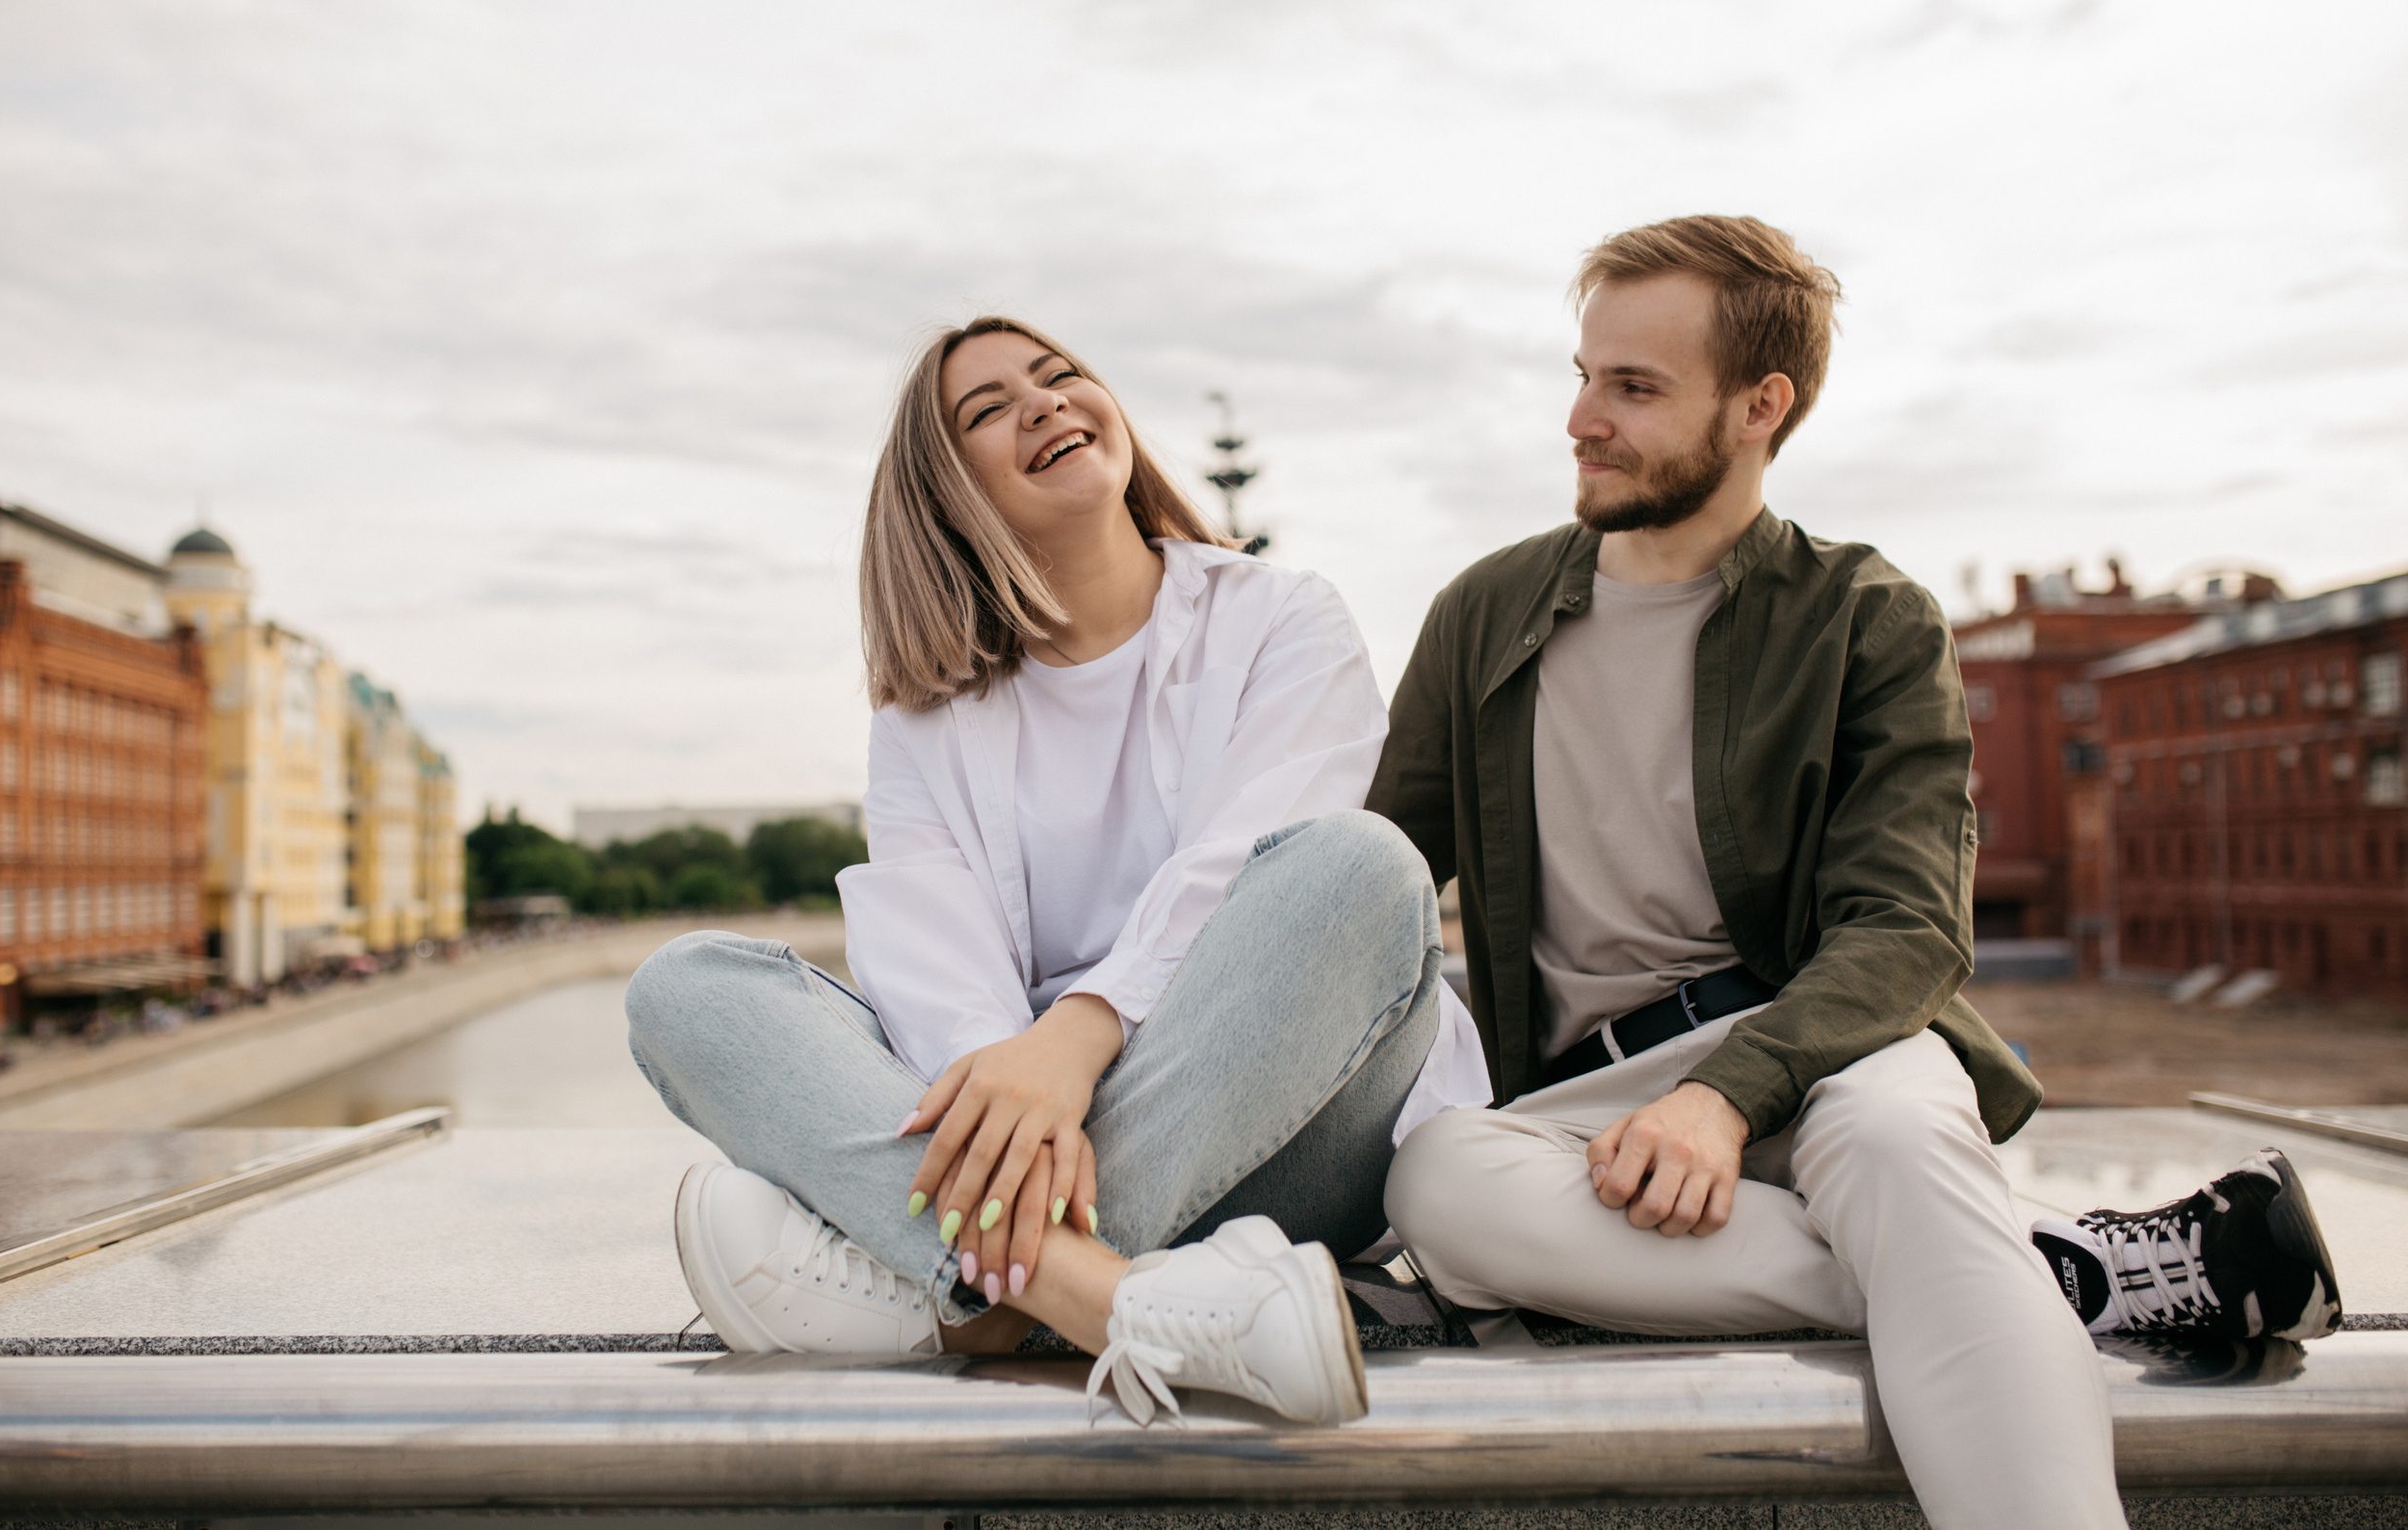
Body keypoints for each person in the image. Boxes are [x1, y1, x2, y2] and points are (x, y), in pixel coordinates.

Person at [1371, 216, 2342, 1530]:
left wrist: (1728, 1092)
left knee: (1895, 1136)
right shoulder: (1485, 611)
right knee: (1438, 1179)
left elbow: (1905, 929)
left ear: (1760, 405)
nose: (1580, 418)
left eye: (1633, 387)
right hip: (1593, 1098)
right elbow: (1378, 873)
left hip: (1827, 1037)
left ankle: (1959, 1269)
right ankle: (2038, 1267)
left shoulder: (1867, 616)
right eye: (1586, 374)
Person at [626, 315, 1491, 1428]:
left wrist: (1073, 1041)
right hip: (1033, 1138)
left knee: (1359, 866)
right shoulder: (925, 717)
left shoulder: (1281, 616)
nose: (1043, 404)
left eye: (1060, 376)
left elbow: (1245, 872)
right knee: (688, 988)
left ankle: (960, 1304)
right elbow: (933, 966)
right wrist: (1015, 1078)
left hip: (1291, 1134)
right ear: (945, 499)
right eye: (987, 411)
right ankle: (1106, 1298)